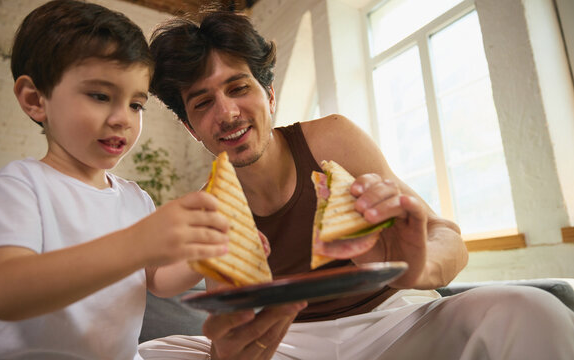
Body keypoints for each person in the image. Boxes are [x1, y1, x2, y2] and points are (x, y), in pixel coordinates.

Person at [139, 9, 574, 360]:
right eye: (203, 102)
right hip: (287, 344)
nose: (228, 112)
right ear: (192, 127)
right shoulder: (208, 207)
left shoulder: (329, 139)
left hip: (393, 325)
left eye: (239, 88)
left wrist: (415, 267)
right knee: (152, 353)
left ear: (270, 96)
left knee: (530, 310)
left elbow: (446, 237)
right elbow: (227, 325)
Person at [0, 1, 232, 359]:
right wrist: (138, 241)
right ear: (35, 100)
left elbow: (158, 280)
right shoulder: (20, 185)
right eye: (100, 96)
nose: (122, 119)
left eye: (136, 104)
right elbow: (5, 293)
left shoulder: (135, 198)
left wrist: (205, 254)